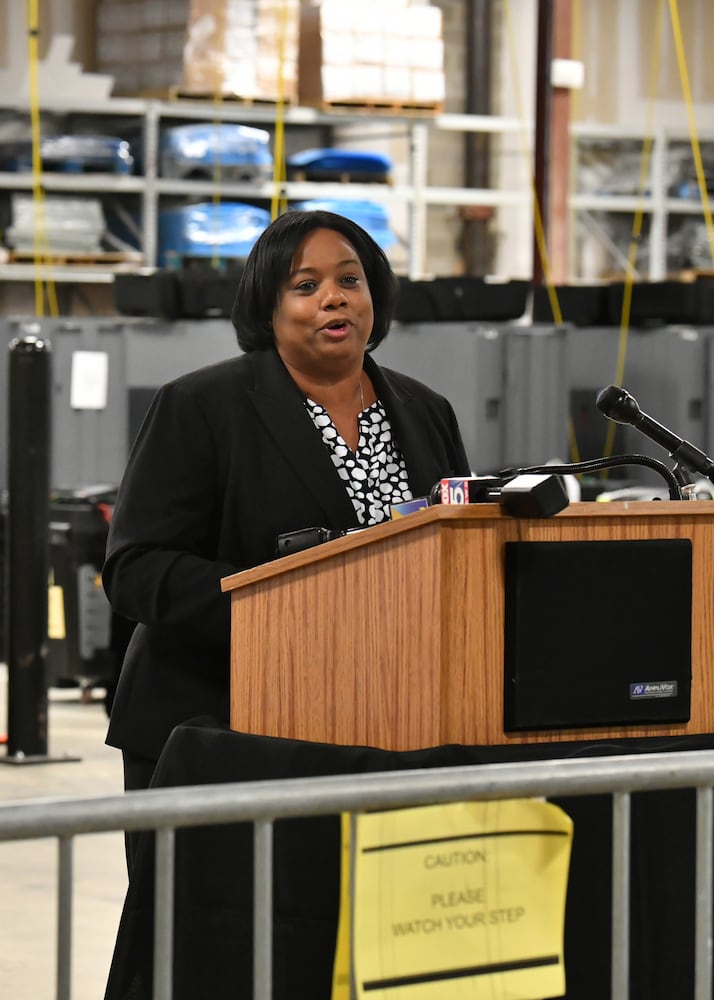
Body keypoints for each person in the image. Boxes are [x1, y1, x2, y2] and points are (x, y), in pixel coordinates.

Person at [102, 210, 472, 794]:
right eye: (306, 286)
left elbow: (458, 552)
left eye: (351, 281)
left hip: (385, 721)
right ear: (266, 308)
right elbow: (136, 570)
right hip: (216, 728)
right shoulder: (200, 406)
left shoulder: (426, 411)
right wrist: (288, 608)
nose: (335, 299)